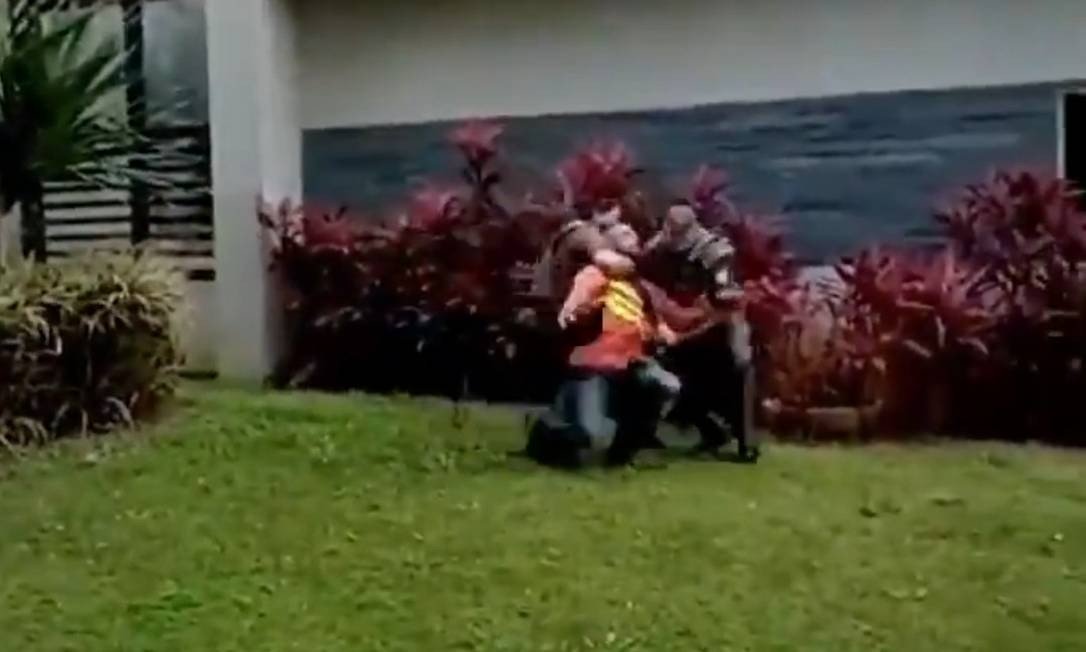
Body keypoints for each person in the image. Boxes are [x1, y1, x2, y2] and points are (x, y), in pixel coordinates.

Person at [526, 222, 720, 468]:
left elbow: (665, 324)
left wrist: (703, 315)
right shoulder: (591, 273)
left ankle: (623, 452)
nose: (631, 236)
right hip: (591, 363)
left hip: (631, 363)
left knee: (666, 385)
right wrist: (574, 310)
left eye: (632, 234)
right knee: (589, 434)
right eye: (624, 233)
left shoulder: (639, 287)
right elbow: (575, 300)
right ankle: (546, 432)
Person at [640, 201, 757, 460]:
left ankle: (746, 443)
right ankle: (708, 430)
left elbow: (727, 303)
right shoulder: (656, 249)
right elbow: (645, 285)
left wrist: (690, 326)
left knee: (739, 365)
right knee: (654, 367)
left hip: (718, 323)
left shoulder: (715, 253)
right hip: (676, 321)